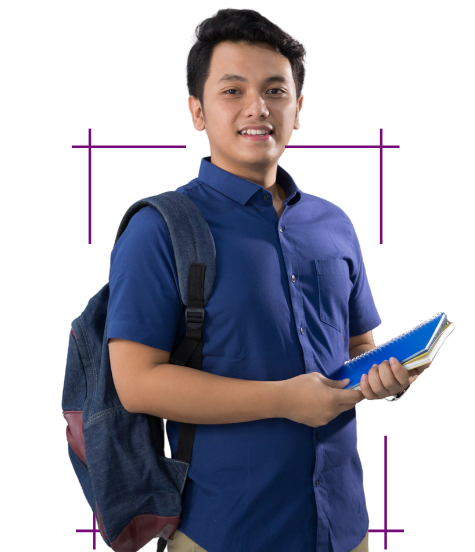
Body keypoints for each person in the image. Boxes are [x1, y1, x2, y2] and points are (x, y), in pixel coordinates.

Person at [109, 8, 378, 552]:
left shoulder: (334, 224)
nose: (259, 107)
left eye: (276, 90)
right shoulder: (159, 229)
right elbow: (136, 383)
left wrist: (383, 377)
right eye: (233, 91)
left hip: (344, 526)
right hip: (223, 529)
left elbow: (357, 347)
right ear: (197, 112)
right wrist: (284, 400)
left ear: (298, 109)